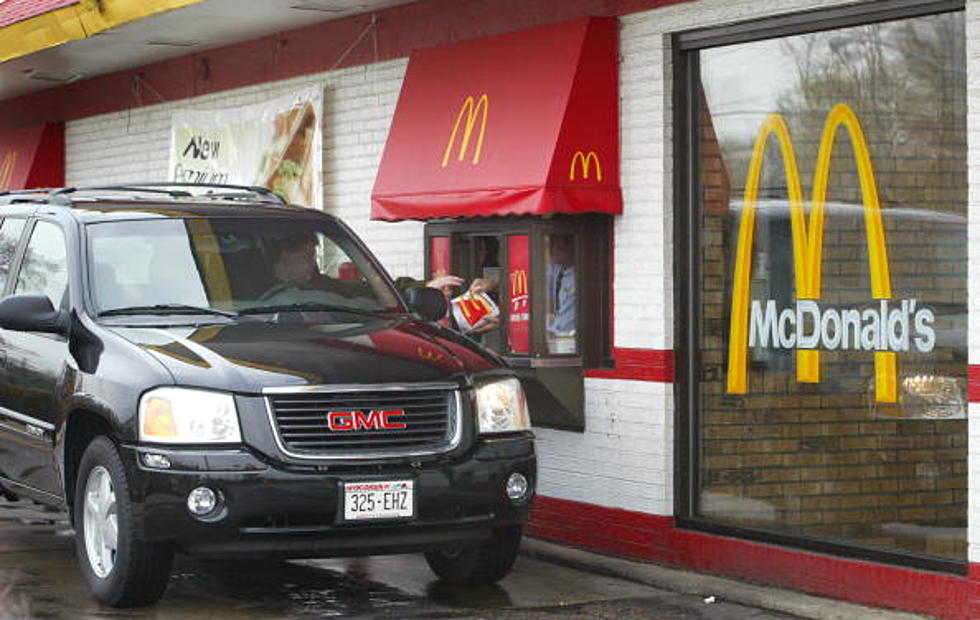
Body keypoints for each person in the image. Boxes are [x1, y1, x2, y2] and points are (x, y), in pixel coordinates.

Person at [546, 235, 576, 353]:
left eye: (559, 247)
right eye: (551, 246)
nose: (553, 251)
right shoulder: (556, 270)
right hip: (553, 335)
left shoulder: (579, 275)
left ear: (571, 248)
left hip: (570, 338)